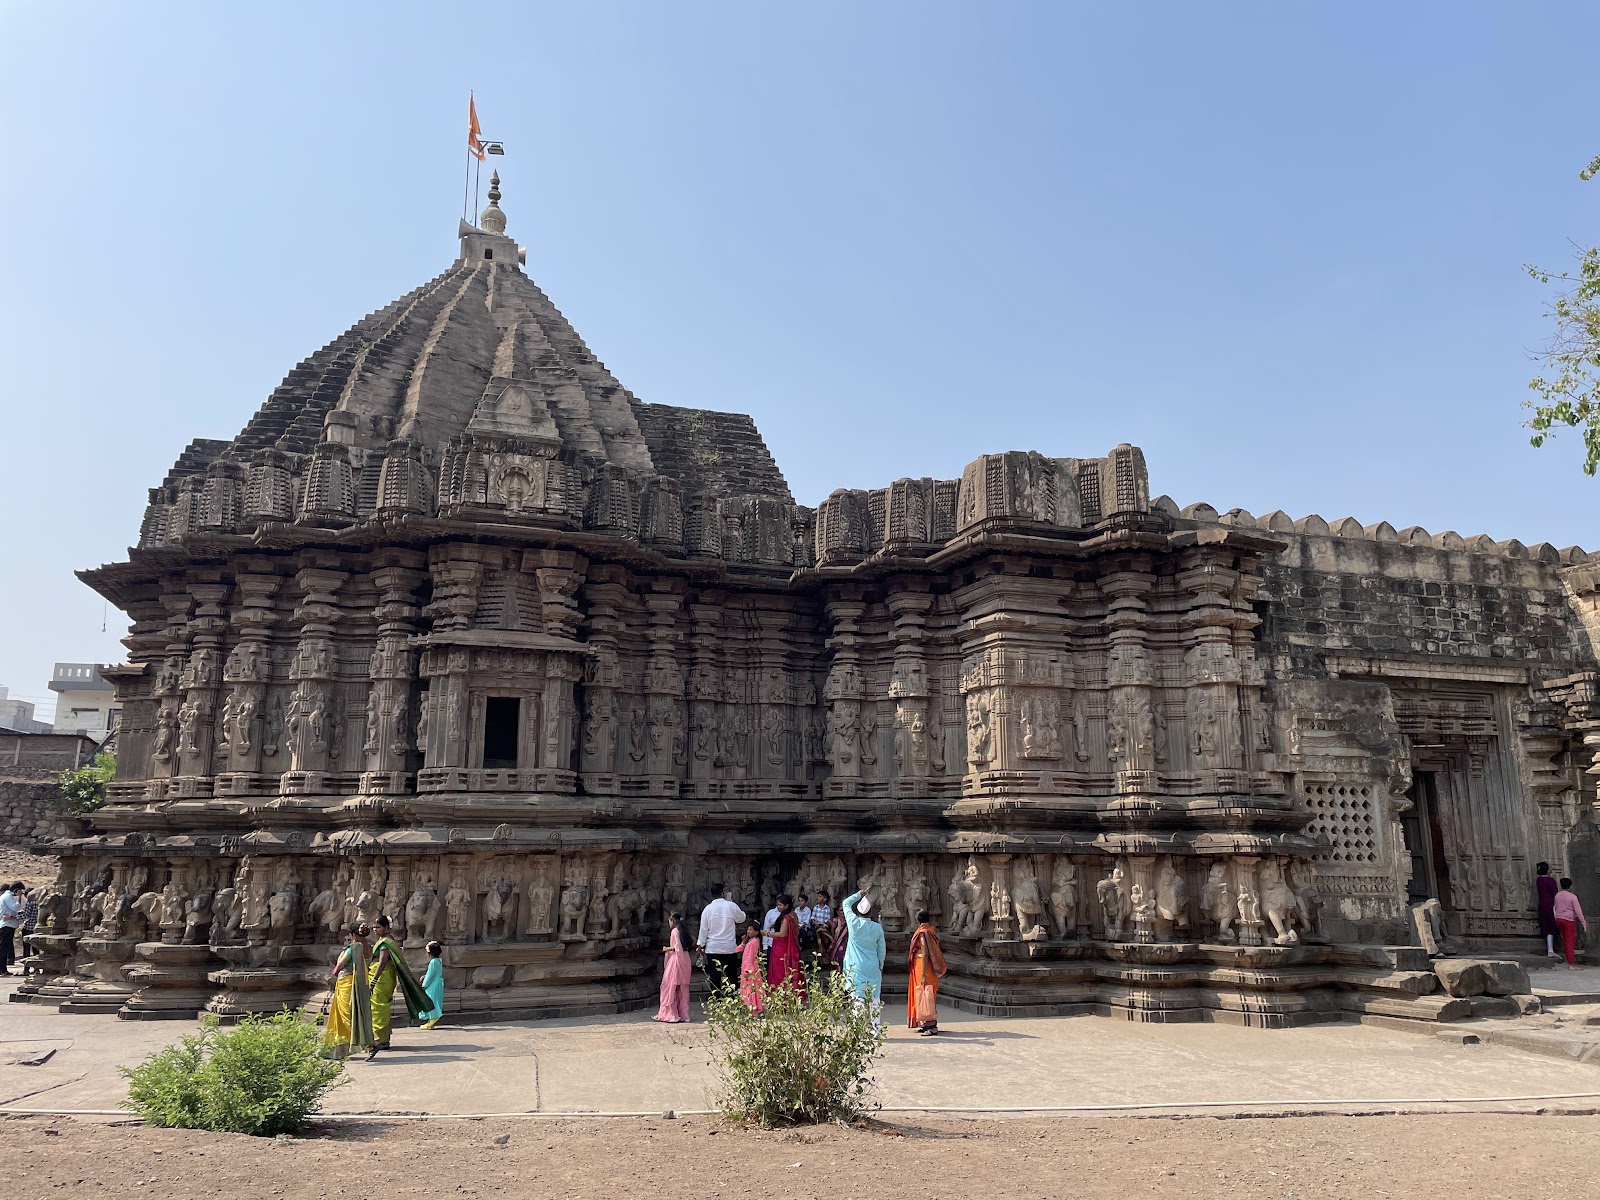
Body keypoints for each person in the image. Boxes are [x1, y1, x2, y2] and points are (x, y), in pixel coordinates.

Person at [367, 914, 431, 1059]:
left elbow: (383, 962)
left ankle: (380, 1039)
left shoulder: (385, 943)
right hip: (386, 977)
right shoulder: (388, 940)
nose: (375, 929)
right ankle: (384, 1038)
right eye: (374, 927)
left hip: (382, 977)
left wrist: (374, 980)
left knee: (378, 1008)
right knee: (380, 1007)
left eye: (378, 927)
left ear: (386, 928)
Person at [322, 922, 375, 1060]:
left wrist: (331, 975)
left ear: (352, 935)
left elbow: (340, 965)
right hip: (359, 983)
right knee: (358, 1013)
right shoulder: (368, 948)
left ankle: (363, 1043)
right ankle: (350, 1046)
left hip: (347, 983)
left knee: (346, 1015)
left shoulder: (352, 948)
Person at [842, 883, 885, 1029]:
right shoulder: (877, 927)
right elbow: (881, 950)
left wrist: (859, 894)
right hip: (872, 965)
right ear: (870, 913)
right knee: (874, 999)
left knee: (857, 998)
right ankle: (876, 1029)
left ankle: (857, 1029)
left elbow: (845, 903)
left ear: (858, 912)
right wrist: (881, 965)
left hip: (856, 966)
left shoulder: (853, 923)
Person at [694, 883, 746, 996]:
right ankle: (732, 998)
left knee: (715, 976)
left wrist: (699, 947)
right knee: (731, 975)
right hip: (728, 947)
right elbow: (742, 918)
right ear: (722, 893)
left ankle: (716, 1000)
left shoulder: (707, 909)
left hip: (712, 948)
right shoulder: (731, 906)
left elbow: (703, 930)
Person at [907, 909, 948, 1035]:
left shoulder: (924, 933)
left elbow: (924, 954)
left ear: (916, 919)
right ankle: (924, 1023)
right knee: (923, 994)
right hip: (921, 967)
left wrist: (923, 973)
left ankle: (931, 1026)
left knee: (927, 994)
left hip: (924, 968)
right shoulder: (930, 930)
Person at [654, 912, 692, 1022]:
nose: (669, 923)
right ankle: (684, 1014)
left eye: (669, 921)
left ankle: (671, 1014)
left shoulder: (675, 931)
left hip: (677, 959)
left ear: (673, 921)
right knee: (683, 988)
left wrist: (667, 949)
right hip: (686, 958)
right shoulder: (685, 931)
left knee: (669, 986)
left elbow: (677, 948)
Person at [765, 894, 804, 995]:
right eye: (778, 905)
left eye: (780, 905)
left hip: (782, 948)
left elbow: (782, 934)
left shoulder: (787, 918)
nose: (778, 907)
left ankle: (781, 996)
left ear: (787, 905)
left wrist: (767, 934)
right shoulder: (793, 915)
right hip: (789, 946)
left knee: (780, 971)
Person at [1555, 877, 1589, 970]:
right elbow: (1578, 912)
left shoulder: (1557, 895)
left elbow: (1555, 908)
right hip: (1568, 920)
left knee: (1565, 940)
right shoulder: (1572, 897)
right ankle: (1571, 964)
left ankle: (1569, 958)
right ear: (1570, 886)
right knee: (1570, 942)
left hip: (1559, 919)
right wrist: (1584, 924)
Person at [738, 923, 765, 1014]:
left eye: (751, 929)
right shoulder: (751, 941)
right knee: (749, 986)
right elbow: (737, 949)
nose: (748, 931)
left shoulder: (754, 942)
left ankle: (753, 1008)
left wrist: (748, 970)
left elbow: (751, 957)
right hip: (746, 966)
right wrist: (744, 942)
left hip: (750, 967)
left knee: (751, 987)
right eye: (748, 929)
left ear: (756, 932)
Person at [418, 940, 445, 1030]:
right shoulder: (439, 961)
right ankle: (431, 1021)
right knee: (435, 1000)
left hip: (433, 984)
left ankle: (433, 1017)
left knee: (431, 1001)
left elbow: (430, 976)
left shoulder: (433, 962)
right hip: (437, 982)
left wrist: (424, 985)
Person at [1537, 862, 1561, 960]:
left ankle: (1550, 948)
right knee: (1551, 925)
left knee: (1546, 924)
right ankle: (1550, 950)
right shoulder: (1550, 880)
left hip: (1542, 904)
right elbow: (1555, 893)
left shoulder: (1539, 880)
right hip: (1550, 904)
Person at [0, 882, 20, 975]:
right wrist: (19, 897)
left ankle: (3, 968)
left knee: (5, 947)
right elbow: (15, 907)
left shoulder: (6, 896)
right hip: (7, 924)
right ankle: (2, 969)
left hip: (8, 923)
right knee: (4, 948)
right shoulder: (8, 896)